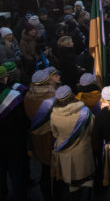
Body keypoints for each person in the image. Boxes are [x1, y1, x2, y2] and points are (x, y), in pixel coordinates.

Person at [50, 85, 95, 200]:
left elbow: (55, 134)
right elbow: (91, 130)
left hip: (65, 153)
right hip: (83, 152)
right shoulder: (85, 112)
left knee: (72, 183)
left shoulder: (54, 115)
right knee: (86, 180)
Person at [24, 69, 60, 201]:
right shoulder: (52, 97)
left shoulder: (27, 96)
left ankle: (46, 195)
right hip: (52, 136)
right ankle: (57, 195)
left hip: (37, 137)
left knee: (44, 169)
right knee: (56, 170)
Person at [0, 64, 28, 201]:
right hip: (13, 142)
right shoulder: (13, 96)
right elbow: (22, 121)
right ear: (4, 79)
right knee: (16, 172)